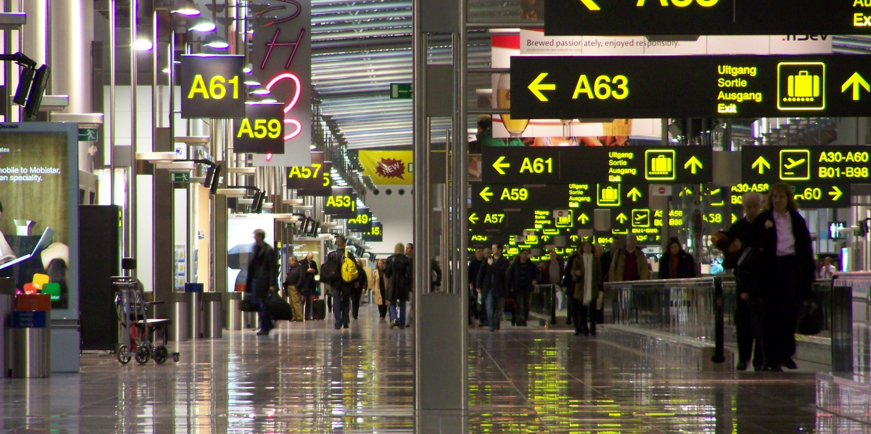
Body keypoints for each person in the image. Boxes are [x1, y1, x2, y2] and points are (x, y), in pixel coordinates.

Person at [749, 183, 815, 371]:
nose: (778, 200)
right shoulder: (764, 219)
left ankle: (786, 354)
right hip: (770, 271)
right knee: (770, 315)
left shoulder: (796, 219)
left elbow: (805, 249)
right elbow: (752, 243)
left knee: (788, 313)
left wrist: (809, 277)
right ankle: (772, 359)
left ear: (788, 199)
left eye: (781, 197)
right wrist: (764, 228)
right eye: (775, 197)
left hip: (791, 268)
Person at [725, 192, 765, 371]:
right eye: (748, 207)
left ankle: (760, 358)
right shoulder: (737, 227)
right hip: (743, 280)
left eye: (754, 206)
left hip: (762, 280)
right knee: (743, 321)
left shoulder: (766, 225)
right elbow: (728, 255)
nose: (752, 210)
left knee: (762, 320)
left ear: (759, 206)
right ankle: (744, 357)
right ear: (743, 208)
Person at [246, 229, 278, 336]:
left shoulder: (268, 250)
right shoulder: (256, 249)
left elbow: (272, 268)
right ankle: (267, 323)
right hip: (256, 280)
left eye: (255, 235)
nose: (254, 237)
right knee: (257, 303)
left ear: (260, 236)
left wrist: (272, 284)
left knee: (263, 304)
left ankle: (265, 326)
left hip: (264, 281)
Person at [571, 241, 602, 336]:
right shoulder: (578, 259)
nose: (587, 248)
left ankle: (593, 328)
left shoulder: (595, 259)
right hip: (581, 287)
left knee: (593, 309)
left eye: (589, 246)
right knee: (582, 310)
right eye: (585, 246)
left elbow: (599, 273)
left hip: (592, 287)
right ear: (582, 248)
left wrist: (597, 284)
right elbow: (572, 270)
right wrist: (576, 273)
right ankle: (584, 328)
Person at [326, 236, 355, 330]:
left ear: (336, 244)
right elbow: (355, 270)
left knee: (336, 301)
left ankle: (338, 322)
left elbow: (328, 268)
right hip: (346, 282)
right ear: (344, 244)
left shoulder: (331, 255)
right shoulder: (349, 255)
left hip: (335, 282)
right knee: (346, 301)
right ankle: (345, 321)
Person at [481, 243, 510, 332]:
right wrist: (479, 285)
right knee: (489, 306)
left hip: (500, 288)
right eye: (492, 248)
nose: (492, 250)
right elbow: (481, 272)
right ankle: (491, 325)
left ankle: (497, 321)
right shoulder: (488, 260)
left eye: (494, 248)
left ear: (499, 250)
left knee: (500, 307)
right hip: (489, 287)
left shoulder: (504, 261)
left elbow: (500, 271)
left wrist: (493, 265)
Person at [507, 249, 540, 326]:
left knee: (527, 304)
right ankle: (520, 320)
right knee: (520, 304)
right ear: (520, 255)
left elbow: (538, 273)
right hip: (518, 289)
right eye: (524, 254)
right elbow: (509, 277)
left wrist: (535, 280)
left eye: (526, 254)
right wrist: (509, 288)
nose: (525, 255)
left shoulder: (531, 265)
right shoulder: (515, 265)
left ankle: (524, 319)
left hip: (527, 288)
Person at [385, 243, 412, 329]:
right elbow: (409, 273)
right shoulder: (406, 260)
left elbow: (387, 272)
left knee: (392, 303)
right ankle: (402, 324)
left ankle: (394, 318)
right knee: (402, 304)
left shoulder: (391, 259)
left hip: (393, 284)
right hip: (403, 284)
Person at [283, 256, 305, 322]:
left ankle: (299, 317)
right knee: (291, 302)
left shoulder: (299, 267)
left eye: (290, 261)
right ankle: (293, 316)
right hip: (290, 286)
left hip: (294, 286)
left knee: (296, 302)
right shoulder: (291, 268)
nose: (289, 262)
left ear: (294, 261)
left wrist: (297, 286)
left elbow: (301, 277)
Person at [475, 247, 493, 328]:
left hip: (488, 287)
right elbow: (480, 275)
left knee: (487, 305)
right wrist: (478, 286)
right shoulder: (484, 263)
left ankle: (488, 321)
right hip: (485, 288)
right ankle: (487, 321)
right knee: (484, 305)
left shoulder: (490, 262)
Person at [561, 249, 579, 325]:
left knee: (571, 303)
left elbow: (566, 274)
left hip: (570, 286)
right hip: (576, 285)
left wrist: (563, 284)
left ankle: (569, 318)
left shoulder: (570, 262)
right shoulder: (578, 262)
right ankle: (576, 318)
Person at [299, 253, 319, 320]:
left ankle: (307, 316)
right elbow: (300, 272)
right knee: (302, 300)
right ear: (307, 256)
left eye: (311, 258)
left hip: (311, 284)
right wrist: (307, 271)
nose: (310, 259)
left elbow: (316, 271)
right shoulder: (301, 263)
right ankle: (300, 315)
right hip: (304, 284)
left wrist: (313, 271)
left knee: (309, 301)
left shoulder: (313, 263)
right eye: (310, 258)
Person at [468, 249, 485, 325]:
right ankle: (479, 317)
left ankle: (483, 318)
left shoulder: (485, 262)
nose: (480, 253)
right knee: (478, 303)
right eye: (479, 252)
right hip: (476, 287)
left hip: (485, 286)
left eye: (481, 251)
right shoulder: (473, 263)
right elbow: (469, 274)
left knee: (484, 303)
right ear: (475, 254)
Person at [405, 243, 415, 327]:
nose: (406, 249)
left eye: (408, 248)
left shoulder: (414, 260)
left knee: (410, 304)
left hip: (412, 285)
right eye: (406, 248)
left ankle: (408, 321)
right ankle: (407, 321)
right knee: (409, 304)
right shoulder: (404, 260)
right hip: (408, 286)